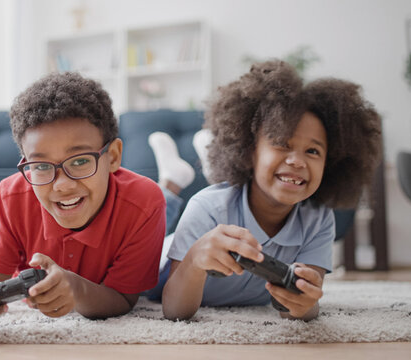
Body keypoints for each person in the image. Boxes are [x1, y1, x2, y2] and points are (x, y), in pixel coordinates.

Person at [0, 72, 167, 333]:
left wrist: (76, 288)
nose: (61, 184)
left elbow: (124, 299)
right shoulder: (12, 197)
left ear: (114, 156)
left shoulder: (145, 203)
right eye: (40, 165)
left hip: (149, 215)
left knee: (170, 225)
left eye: (81, 161)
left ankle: (171, 182)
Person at [161, 60, 382, 321]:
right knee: (155, 217)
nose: (297, 161)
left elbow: (304, 305)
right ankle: (170, 182)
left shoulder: (318, 219)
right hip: (156, 263)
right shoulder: (207, 207)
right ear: (249, 150)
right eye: (281, 144)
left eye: (312, 151)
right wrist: (195, 260)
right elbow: (174, 310)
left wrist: (304, 304)